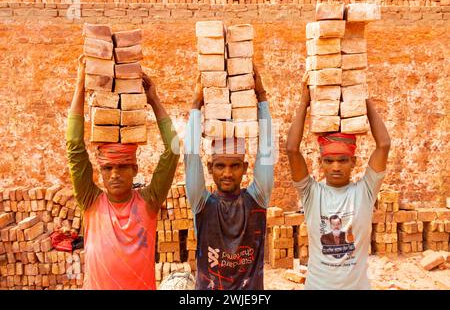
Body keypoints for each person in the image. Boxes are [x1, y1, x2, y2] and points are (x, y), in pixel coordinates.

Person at [66, 55, 180, 289]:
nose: (114, 174)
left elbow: (174, 149)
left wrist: (154, 101)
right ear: (101, 170)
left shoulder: (149, 201)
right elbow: (74, 146)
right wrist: (79, 85)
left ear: (134, 168)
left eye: (121, 167)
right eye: (108, 168)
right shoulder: (90, 201)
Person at [286, 72, 391, 290]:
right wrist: (305, 102)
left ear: (353, 162)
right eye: (329, 161)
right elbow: (291, 149)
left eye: (342, 160)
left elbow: (384, 145)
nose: (335, 167)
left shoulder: (365, 191)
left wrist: (361, 98)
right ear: (320, 162)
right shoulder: (311, 194)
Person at [184, 65, 274, 290]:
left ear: (245, 168)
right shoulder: (202, 204)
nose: (226, 173)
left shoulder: (257, 199)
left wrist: (261, 98)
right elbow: (190, 154)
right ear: (210, 167)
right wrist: (196, 105)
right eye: (220, 166)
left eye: (234, 166)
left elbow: (267, 150)